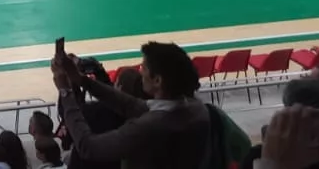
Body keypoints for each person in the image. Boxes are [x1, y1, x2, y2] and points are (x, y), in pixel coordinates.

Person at [53, 41, 209, 169]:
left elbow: (88, 147)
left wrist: (66, 91)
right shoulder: (194, 107)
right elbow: (131, 105)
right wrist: (81, 79)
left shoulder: (149, 126)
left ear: (157, 81)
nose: (141, 72)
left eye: (144, 68)